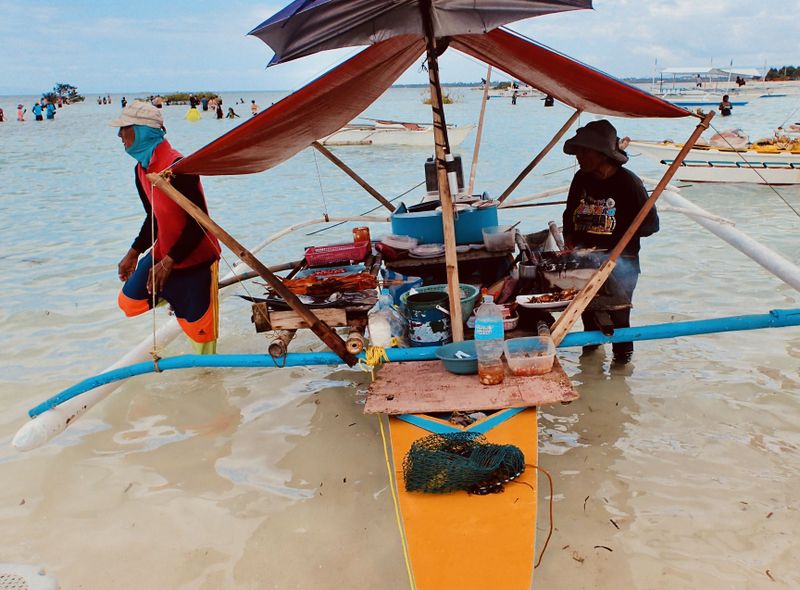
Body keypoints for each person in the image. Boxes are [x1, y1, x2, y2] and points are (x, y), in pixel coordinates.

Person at [110, 101, 221, 354]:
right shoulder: (141, 168)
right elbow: (153, 217)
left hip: (195, 262)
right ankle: (173, 297)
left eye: (124, 129)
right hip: (163, 254)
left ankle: (183, 299)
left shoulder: (178, 167)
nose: (119, 136)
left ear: (140, 131)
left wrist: (169, 262)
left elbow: (200, 223)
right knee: (128, 302)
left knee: (204, 350)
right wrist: (134, 252)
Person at [561, 119, 659, 364]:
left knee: (619, 319)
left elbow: (651, 226)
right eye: (578, 150)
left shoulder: (629, 183)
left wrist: (627, 231)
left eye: (585, 151)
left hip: (620, 262)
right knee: (586, 315)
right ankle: (590, 367)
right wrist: (569, 242)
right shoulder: (580, 179)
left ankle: (621, 370)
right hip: (584, 260)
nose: (579, 156)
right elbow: (568, 214)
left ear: (602, 154)